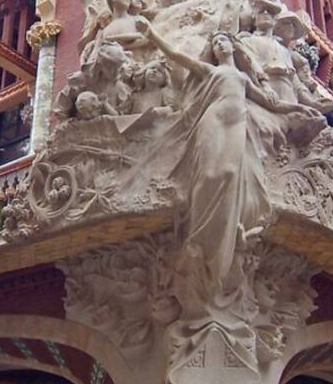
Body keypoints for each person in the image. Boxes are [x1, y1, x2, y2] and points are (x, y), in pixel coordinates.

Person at [135, 17, 322, 296]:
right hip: (213, 121)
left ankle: (224, 238)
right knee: (209, 174)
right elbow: (176, 55)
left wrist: (299, 109)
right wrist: (151, 34)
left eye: (224, 41)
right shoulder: (210, 71)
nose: (220, 45)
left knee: (231, 173)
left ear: (233, 47)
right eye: (215, 43)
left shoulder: (243, 78)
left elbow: (270, 103)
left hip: (237, 124)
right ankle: (197, 234)